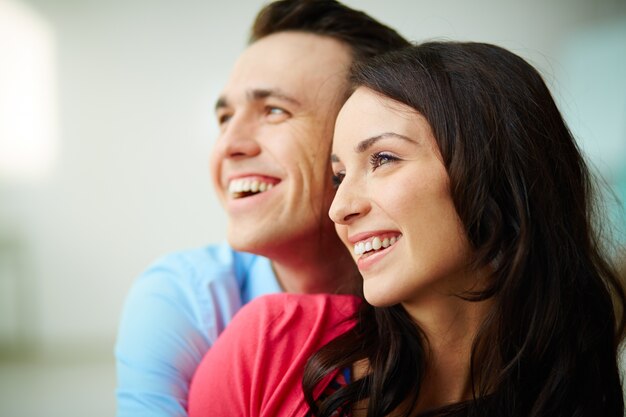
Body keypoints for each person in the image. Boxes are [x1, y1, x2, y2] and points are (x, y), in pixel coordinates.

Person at [188, 41, 626, 416]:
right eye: (339, 176)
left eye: (382, 159)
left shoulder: (578, 386)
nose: (339, 208)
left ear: (495, 176)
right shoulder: (269, 345)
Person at [114, 1, 409, 416]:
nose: (229, 145)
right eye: (225, 117)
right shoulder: (183, 299)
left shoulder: (435, 299)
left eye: (274, 111)